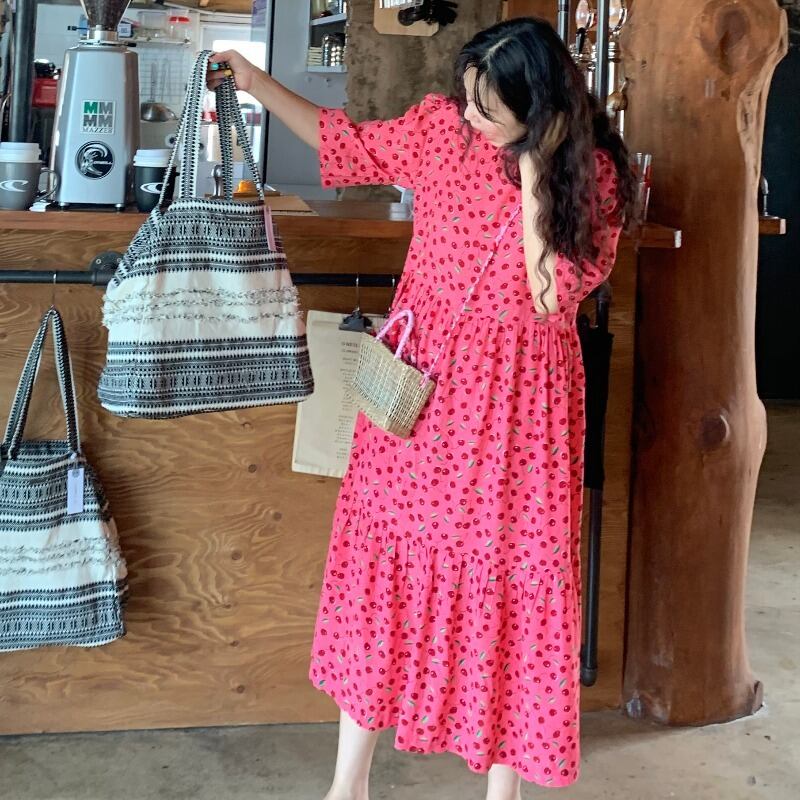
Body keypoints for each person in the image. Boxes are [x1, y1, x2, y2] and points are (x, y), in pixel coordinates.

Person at [210, 15, 635, 800]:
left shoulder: (593, 176)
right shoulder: (443, 131)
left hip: (519, 408)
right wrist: (255, 81)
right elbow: (343, 141)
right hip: (423, 394)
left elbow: (550, 294)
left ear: (540, 114)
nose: (469, 115)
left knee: (512, 581)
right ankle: (348, 785)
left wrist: (536, 171)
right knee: (386, 569)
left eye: (488, 109)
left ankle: (502, 792)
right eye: (467, 96)